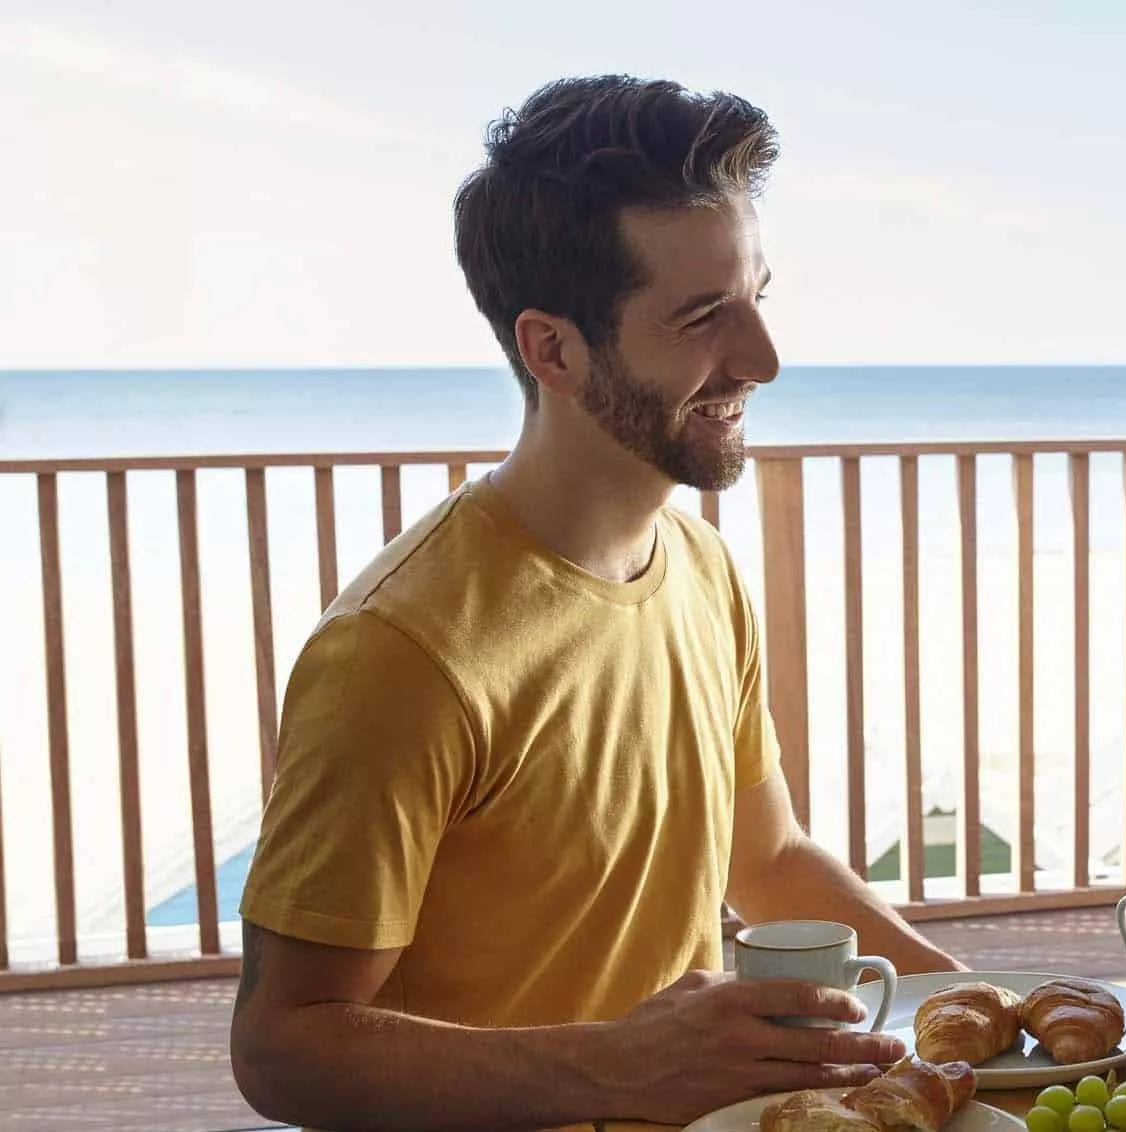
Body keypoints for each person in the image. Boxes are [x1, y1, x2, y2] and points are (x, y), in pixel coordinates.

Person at [229, 74, 963, 1132]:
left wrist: (985, 1007)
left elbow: (768, 862)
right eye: (706, 316)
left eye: (758, 294)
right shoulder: (401, 651)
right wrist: (614, 1070)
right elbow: (284, 1046)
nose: (762, 357)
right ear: (553, 348)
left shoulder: (699, 570)